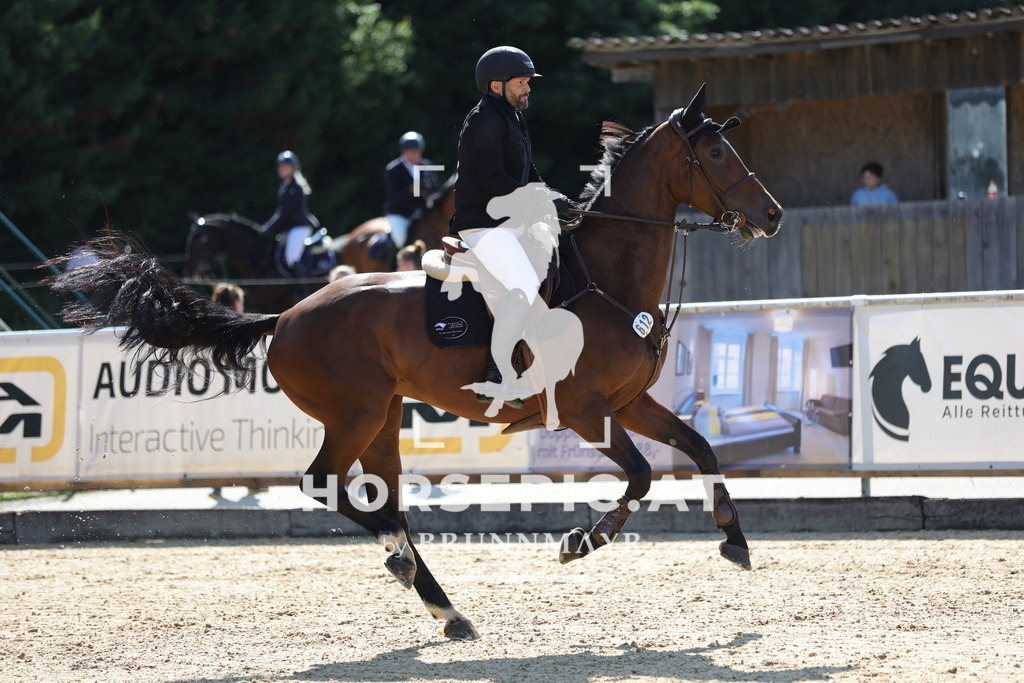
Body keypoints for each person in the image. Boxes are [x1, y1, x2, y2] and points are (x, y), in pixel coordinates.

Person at [450, 45, 578, 409]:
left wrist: (555, 197)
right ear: (496, 85)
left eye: (527, 82)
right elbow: (494, 181)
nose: (528, 89)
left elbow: (528, 172)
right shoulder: (483, 120)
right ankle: (496, 372)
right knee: (522, 284)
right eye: (521, 82)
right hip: (482, 224)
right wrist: (541, 201)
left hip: (508, 223)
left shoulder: (513, 117)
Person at [207, 283, 268, 498]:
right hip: (240, 392)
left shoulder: (209, 327)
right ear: (235, 302)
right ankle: (254, 481)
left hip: (215, 395)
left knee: (218, 439)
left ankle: (216, 483)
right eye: (240, 301)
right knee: (248, 437)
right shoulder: (244, 326)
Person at [262, 151, 320, 273]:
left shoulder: (296, 187)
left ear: (293, 168)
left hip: (299, 227)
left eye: (285, 167)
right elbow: (280, 211)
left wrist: (270, 227)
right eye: (280, 167)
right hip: (291, 228)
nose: (282, 169)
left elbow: (285, 212)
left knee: (291, 258)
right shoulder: (285, 186)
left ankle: (304, 289)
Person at [384, 132, 440, 249]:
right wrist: (410, 190)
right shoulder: (393, 169)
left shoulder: (427, 166)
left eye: (417, 151)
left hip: (421, 213)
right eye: (411, 151)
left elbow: (435, 191)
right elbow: (393, 197)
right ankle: (397, 264)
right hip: (400, 214)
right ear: (404, 152)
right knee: (401, 239)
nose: (415, 154)